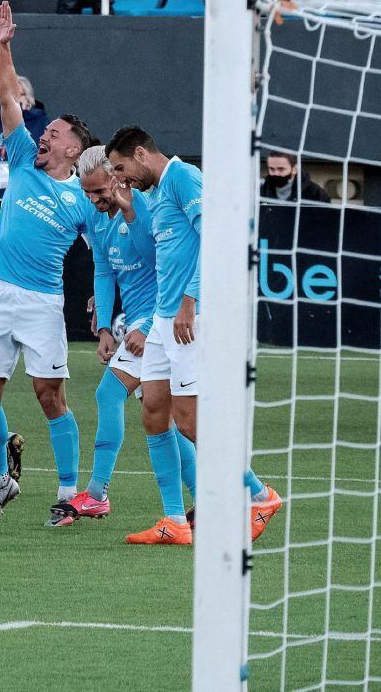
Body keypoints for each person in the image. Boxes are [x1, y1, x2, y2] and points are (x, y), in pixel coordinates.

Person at [105, 126, 283, 543]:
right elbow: (159, 253)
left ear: (141, 153)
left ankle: (260, 495)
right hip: (164, 320)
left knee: (190, 422)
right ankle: (174, 522)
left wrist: (190, 300)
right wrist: (130, 210)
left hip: (192, 318)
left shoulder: (184, 177)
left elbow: (218, 237)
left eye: (121, 167)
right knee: (152, 411)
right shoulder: (153, 193)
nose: (120, 176)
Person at [0, 1, 95, 525]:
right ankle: (1, 480)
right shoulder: (22, 159)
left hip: (43, 302)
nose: (46, 135)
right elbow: (6, 98)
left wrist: (106, 300)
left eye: (57, 133)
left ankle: (68, 496)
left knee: (49, 396)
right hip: (1, 294)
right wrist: (2, 45)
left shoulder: (85, 197)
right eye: (47, 131)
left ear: (76, 149)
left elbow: (109, 251)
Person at [49, 145, 198, 527]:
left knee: (111, 394)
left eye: (99, 191)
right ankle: (203, 500)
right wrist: (102, 328)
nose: (93, 200)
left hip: (158, 323)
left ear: (116, 178)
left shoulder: (146, 206)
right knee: (164, 414)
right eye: (87, 193)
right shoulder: (95, 217)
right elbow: (102, 269)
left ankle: (97, 494)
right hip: (137, 324)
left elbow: (160, 264)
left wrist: (147, 327)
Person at [0, 76, 52, 199]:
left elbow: (49, 159)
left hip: (28, 194)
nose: (12, 100)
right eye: (8, 95)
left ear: (28, 98)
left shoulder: (41, 122)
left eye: (17, 94)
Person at [261, 152, 331, 203]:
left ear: (294, 169)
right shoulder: (261, 191)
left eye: (281, 169)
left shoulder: (316, 194)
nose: (276, 173)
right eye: (272, 169)